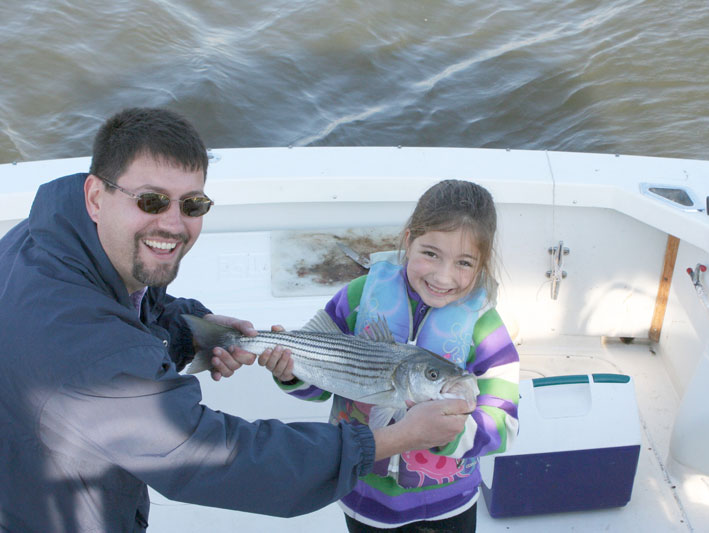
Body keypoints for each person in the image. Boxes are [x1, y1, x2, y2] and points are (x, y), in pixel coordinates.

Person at [0, 107, 474, 532]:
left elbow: (127, 311)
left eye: (192, 205)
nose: (172, 223)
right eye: (150, 200)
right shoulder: (84, 348)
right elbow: (213, 457)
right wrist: (392, 438)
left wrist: (191, 328)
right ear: (95, 196)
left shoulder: (54, 236)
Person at [262, 179, 520, 532]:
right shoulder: (357, 296)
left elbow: (504, 422)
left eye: (464, 262)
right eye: (430, 253)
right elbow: (318, 386)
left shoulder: (484, 327)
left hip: (450, 502)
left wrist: (448, 433)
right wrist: (290, 374)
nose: (443, 276)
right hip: (364, 496)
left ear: (482, 265)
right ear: (409, 239)